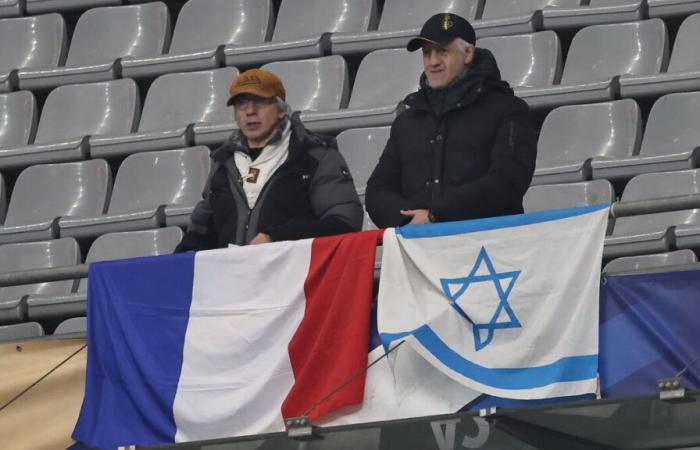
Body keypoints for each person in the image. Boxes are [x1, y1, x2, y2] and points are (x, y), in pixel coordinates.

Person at [365, 13, 537, 228]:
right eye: (427, 53)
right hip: (418, 249)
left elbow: (508, 180)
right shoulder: (407, 121)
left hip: (488, 249)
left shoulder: (507, 110)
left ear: (468, 54)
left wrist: (436, 215)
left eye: (442, 51)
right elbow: (377, 190)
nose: (433, 61)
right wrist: (409, 220)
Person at [175, 69, 363, 251]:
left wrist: (277, 237)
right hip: (232, 278)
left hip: (295, 277)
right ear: (235, 115)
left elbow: (345, 221)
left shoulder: (316, 157)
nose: (250, 111)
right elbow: (200, 231)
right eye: (241, 104)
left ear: (281, 110)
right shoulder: (223, 164)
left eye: (260, 102)